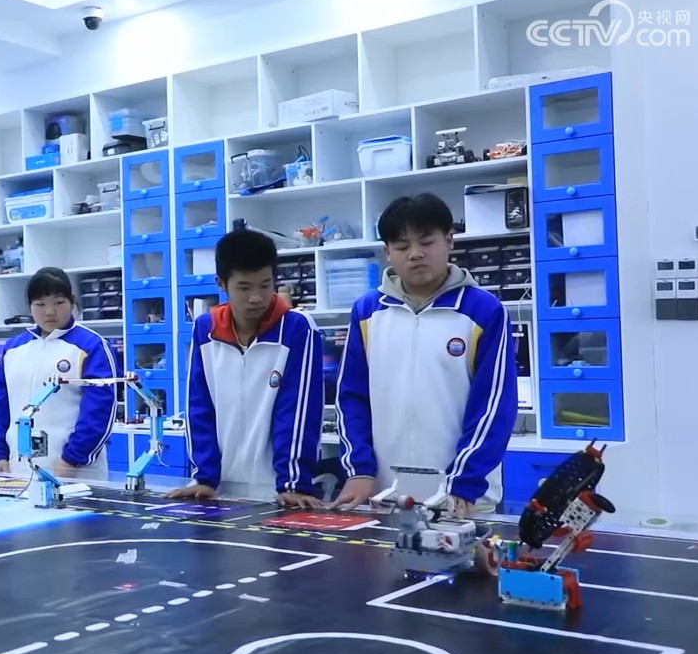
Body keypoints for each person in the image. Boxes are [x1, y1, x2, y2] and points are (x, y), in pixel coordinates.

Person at [331, 193, 518, 517]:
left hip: (462, 498)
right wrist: (359, 470)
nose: (415, 254)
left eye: (427, 242)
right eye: (402, 246)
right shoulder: (367, 312)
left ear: (449, 241)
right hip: (384, 495)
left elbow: (494, 406)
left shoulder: (484, 311)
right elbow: (351, 398)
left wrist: (464, 482)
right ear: (387, 252)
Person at [168, 228, 325, 508]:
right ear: (221, 283)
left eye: (265, 285)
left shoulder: (297, 328)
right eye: (244, 287)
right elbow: (199, 408)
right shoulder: (205, 330)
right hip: (218, 490)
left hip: (279, 492)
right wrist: (204, 478)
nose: (256, 297)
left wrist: (292, 483)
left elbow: (298, 412)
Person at [0, 267, 119, 478]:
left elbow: (100, 411)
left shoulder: (92, 346)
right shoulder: (13, 348)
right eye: (40, 304)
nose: (49, 312)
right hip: (16, 469)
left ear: (72, 303)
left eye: (58, 302)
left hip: (72, 470)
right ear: (30, 307)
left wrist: (72, 459)